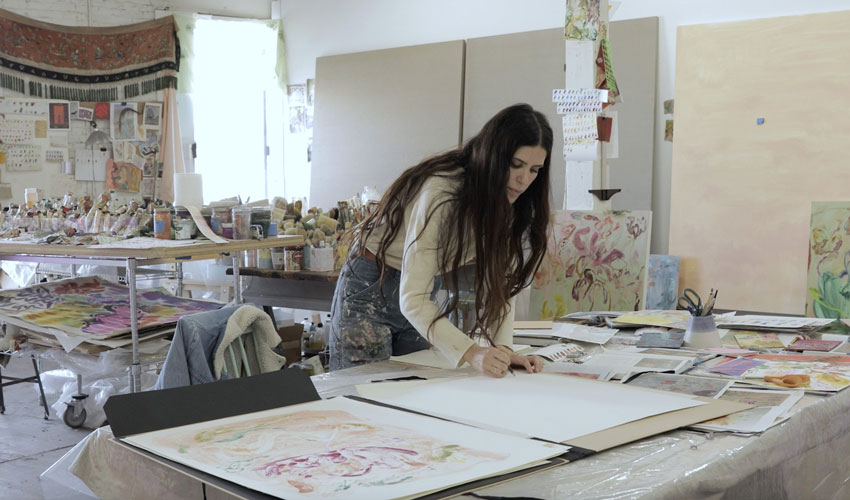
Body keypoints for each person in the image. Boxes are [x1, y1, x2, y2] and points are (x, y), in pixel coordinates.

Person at [328, 103, 552, 378]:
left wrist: (502, 351)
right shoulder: (443, 192)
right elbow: (413, 299)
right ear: (494, 155)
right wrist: (473, 353)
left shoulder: (508, 200)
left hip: (421, 288)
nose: (523, 179)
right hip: (371, 283)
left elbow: (500, 285)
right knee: (364, 394)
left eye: (534, 170)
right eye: (515, 164)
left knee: (415, 390)